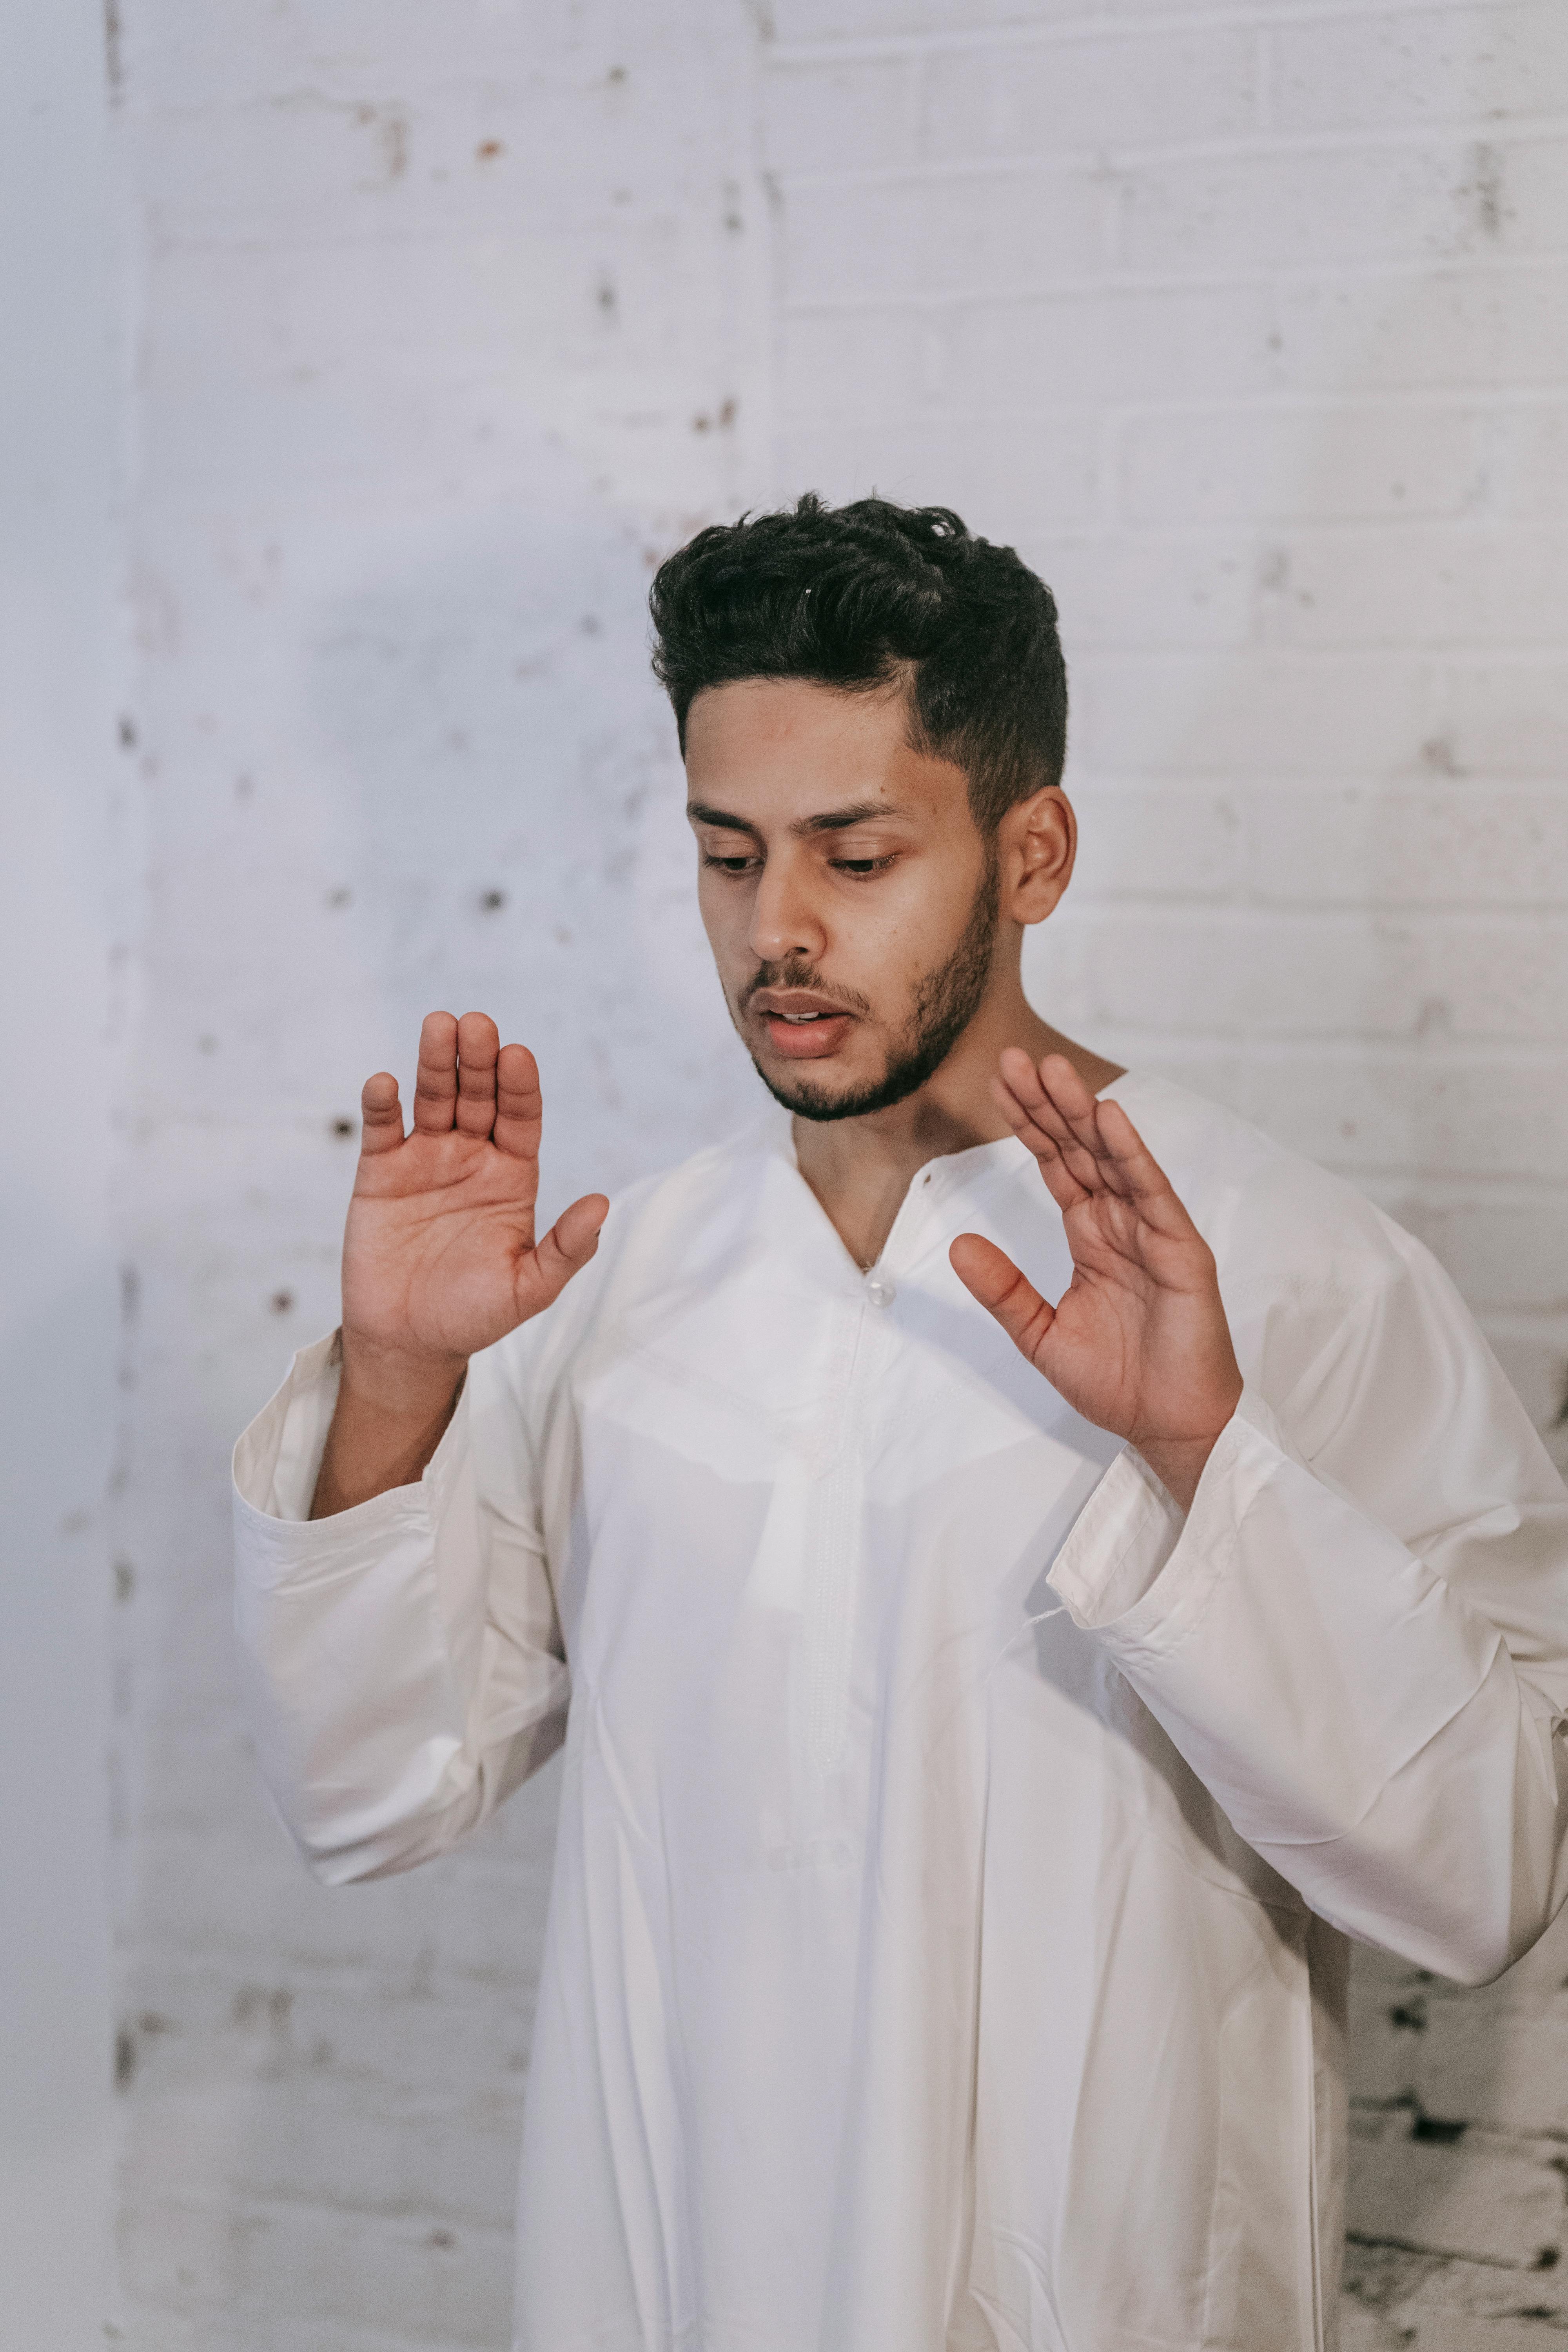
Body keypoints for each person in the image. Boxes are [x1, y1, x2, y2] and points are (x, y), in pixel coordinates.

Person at [233, 497, 1568, 2352]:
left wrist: (1203, 1465)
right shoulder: (625, 1286)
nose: (775, 932)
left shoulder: (1288, 1269)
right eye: (725, 856)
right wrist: (397, 1384)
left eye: (855, 856)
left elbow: (1486, 1875)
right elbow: (367, 1796)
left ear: (1034, 853)